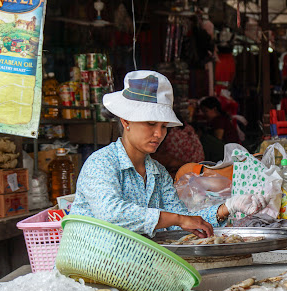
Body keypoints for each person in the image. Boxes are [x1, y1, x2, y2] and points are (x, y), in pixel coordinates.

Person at [71, 70, 265, 237]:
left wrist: (228, 207)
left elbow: (181, 223)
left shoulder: (158, 173)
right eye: (150, 124)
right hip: (88, 267)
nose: (159, 134)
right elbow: (112, 213)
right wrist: (179, 219)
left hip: (131, 268)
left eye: (164, 126)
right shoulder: (101, 163)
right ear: (125, 121)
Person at [150, 111, 205, 178]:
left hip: (190, 171)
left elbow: (168, 160)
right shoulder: (188, 128)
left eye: (163, 126)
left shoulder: (175, 136)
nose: (158, 134)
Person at [198, 96, 240, 162]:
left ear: (214, 109)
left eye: (206, 111)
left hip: (230, 153)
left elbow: (218, 139)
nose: (204, 114)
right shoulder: (217, 120)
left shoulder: (219, 121)